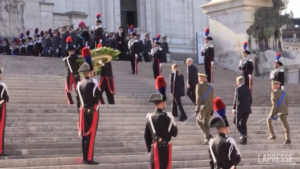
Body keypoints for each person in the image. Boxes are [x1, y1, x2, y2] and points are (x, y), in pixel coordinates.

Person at [77, 51, 102, 165]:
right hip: (92, 112)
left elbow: (78, 101)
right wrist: (97, 85)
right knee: (91, 136)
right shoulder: (92, 84)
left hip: (82, 112)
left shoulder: (79, 84)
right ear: (90, 72)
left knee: (84, 136)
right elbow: (99, 98)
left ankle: (84, 157)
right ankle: (89, 158)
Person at [144, 93, 178, 169]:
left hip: (154, 149)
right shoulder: (167, 117)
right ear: (162, 103)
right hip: (165, 150)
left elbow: (146, 135)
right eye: (165, 102)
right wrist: (173, 120)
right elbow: (174, 133)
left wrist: (149, 148)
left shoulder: (149, 117)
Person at [195, 73, 214, 145]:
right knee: (206, 123)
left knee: (198, 122)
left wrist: (197, 107)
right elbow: (212, 99)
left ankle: (207, 135)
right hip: (210, 107)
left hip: (202, 107)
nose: (198, 79)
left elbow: (198, 98)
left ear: (202, 78)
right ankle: (207, 139)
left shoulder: (198, 86)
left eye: (199, 77)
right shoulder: (211, 88)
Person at [232, 76, 252, 145]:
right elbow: (250, 100)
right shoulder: (248, 89)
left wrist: (234, 108)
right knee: (243, 123)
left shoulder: (238, 89)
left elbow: (236, 100)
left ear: (238, 82)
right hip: (247, 109)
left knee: (235, 121)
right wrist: (248, 107)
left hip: (241, 109)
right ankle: (244, 141)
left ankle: (243, 134)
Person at [63, 36, 81, 108]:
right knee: (78, 90)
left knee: (67, 90)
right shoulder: (78, 58)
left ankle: (70, 102)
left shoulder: (66, 59)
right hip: (77, 75)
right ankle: (79, 101)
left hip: (70, 75)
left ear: (69, 51)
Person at [0, 68, 10, 156]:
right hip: (1, 108)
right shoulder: (2, 85)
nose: (2, 75)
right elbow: (6, 98)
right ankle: (0, 150)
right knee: (1, 129)